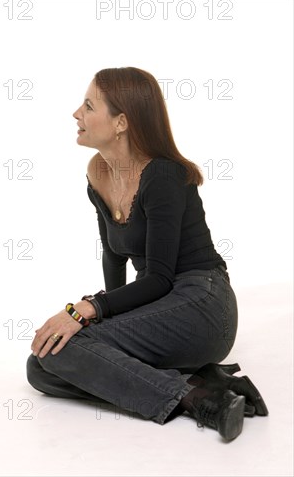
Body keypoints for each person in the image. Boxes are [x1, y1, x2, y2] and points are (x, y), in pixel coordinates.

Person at [26, 67, 267, 441]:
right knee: (43, 363)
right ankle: (202, 383)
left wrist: (88, 309)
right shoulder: (98, 173)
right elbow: (113, 257)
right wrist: (101, 327)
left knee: (66, 348)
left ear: (121, 122)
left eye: (89, 106)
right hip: (161, 300)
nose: (77, 114)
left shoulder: (163, 175)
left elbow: (158, 277)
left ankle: (200, 400)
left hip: (202, 303)